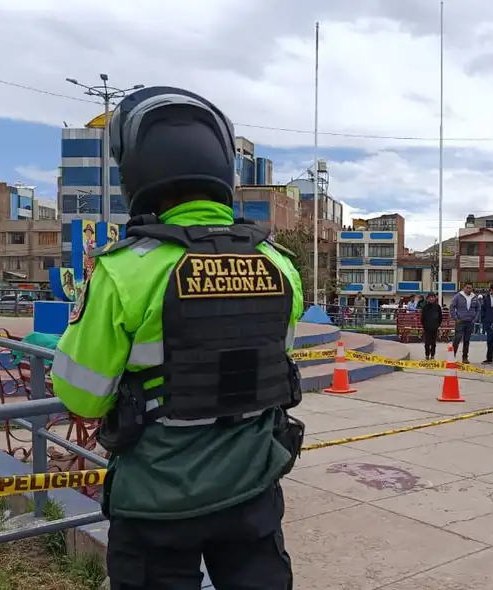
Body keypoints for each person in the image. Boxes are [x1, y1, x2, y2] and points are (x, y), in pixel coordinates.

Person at [50, 86, 303, 589]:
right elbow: (271, 368)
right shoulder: (279, 265)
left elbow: (80, 394)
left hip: (158, 503)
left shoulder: (125, 271)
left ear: (137, 174)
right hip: (253, 491)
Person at [449, 282, 480, 363]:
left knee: (467, 340)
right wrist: (456, 318)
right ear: (464, 288)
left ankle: (465, 357)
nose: (469, 289)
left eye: (470, 288)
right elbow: (452, 307)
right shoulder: (458, 296)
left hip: (470, 322)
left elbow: (478, 309)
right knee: (457, 339)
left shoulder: (475, 297)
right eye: (467, 287)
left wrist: (475, 319)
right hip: (460, 321)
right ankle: (452, 356)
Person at [479, 284, 493, 365]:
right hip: (488, 322)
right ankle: (489, 358)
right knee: (489, 341)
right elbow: (483, 309)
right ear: (491, 290)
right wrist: (484, 320)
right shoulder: (486, 298)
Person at [420, 292, 443, 360]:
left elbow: (440, 317)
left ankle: (432, 355)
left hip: (435, 327)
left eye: (433, 297)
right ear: (427, 299)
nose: (431, 299)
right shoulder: (425, 307)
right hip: (427, 327)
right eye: (430, 297)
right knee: (427, 342)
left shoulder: (438, 307)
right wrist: (424, 326)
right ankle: (427, 355)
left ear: (435, 298)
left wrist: (438, 325)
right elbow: (422, 318)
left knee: (433, 342)